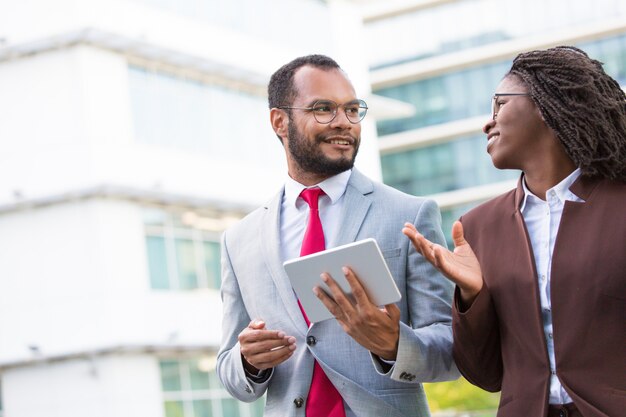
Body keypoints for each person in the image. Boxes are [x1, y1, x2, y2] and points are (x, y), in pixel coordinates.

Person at [217, 54, 459, 417]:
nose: (344, 123)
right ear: (280, 122)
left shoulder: (409, 214)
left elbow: (452, 350)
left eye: (351, 110)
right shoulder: (238, 240)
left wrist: (394, 344)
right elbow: (230, 372)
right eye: (323, 109)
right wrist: (249, 361)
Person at [403, 46, 626, 417]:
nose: (487, 124)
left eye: (500, 105)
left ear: (545, 103)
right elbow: (485, 374)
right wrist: (472, 297)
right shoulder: (476, 228)